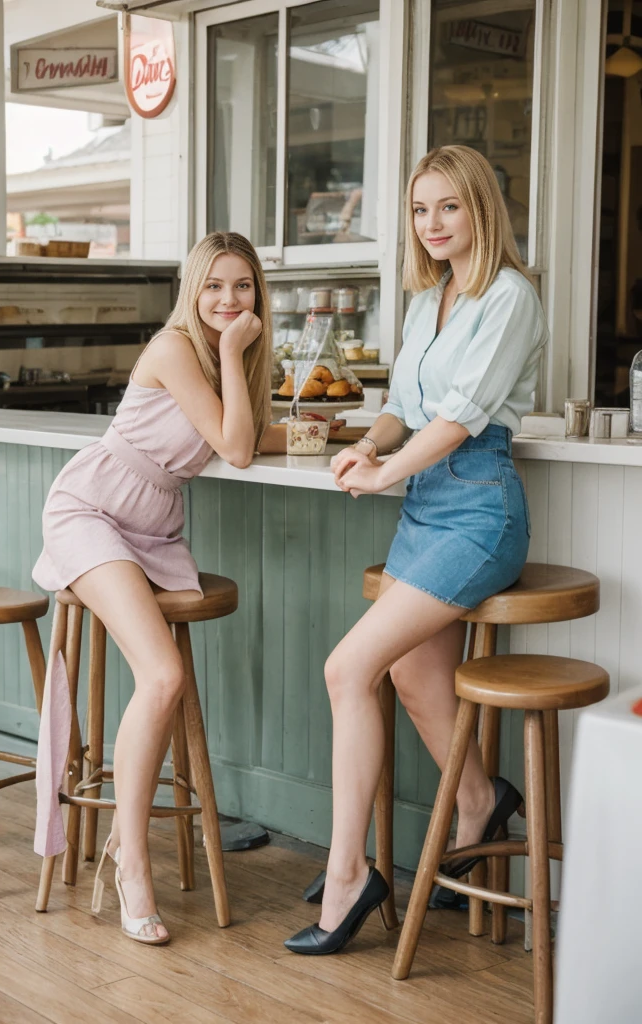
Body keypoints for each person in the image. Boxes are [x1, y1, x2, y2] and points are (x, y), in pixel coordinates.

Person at [285, 145, 548, 955]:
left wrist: (386, 470)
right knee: (403, 670)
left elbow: (462, 418)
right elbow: (403, 403)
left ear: (481, 210)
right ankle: (478, 800)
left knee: (346, 668)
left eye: (450, 207)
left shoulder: (510, 296)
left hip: (478, 510)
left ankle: (348, 876)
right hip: (427, 502)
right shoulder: (427, 298)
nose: (433, 224)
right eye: (420, 209)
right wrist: (370, 447)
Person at [32, 231, 287, 945]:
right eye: (214, 286)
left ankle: (127, 848)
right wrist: (237, 353)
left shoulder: (218, 360)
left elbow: (244, 433)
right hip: (91, 511)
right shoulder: (180, 347)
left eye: (242, 287)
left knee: (163, 676)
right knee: (164, 674)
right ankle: (132, 858)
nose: (228, 301)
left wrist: (340, 433)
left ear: (257, 293)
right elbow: (234, 447)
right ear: (192, 290)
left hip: (153, 530)